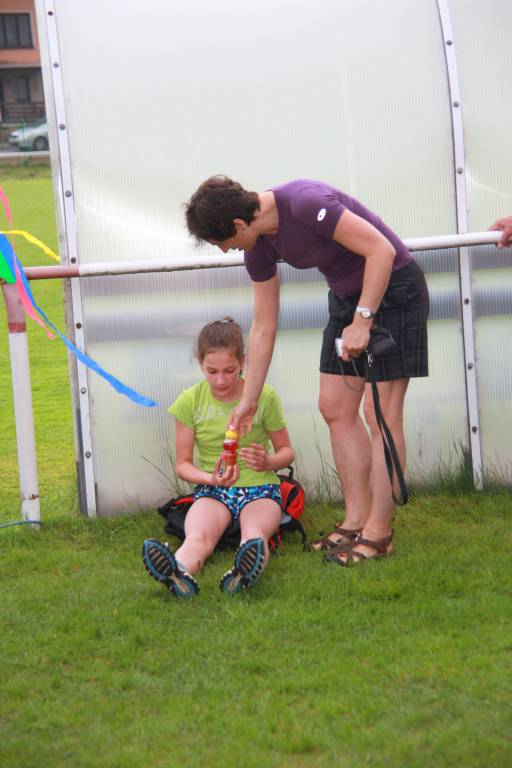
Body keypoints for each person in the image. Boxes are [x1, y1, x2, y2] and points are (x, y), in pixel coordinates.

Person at [185, 177, 430, 566]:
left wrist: (363, 321)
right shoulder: (258, 248)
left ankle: (379, 531)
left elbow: (381, 250)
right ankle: (355, 521)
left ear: (238, 224)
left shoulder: (305, 202)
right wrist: (249, 399)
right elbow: (263, 325)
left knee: (379, 412)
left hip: (394, 291)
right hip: (347, 299)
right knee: (334, 406)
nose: (225, 249)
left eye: (222, 241)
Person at [142, 317, 294, 597]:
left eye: (230, 370)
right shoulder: (190, 401)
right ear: (199, 363)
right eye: (211, 371)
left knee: (255, 535)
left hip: (260, 487)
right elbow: (182, 465)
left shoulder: (263, 396)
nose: (221, 380)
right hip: (213, 491)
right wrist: (210, 478)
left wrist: (268, 462)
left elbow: (287, 452)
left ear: (243, 362)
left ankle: (243, 574)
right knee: (198, 538)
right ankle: (178, 572)